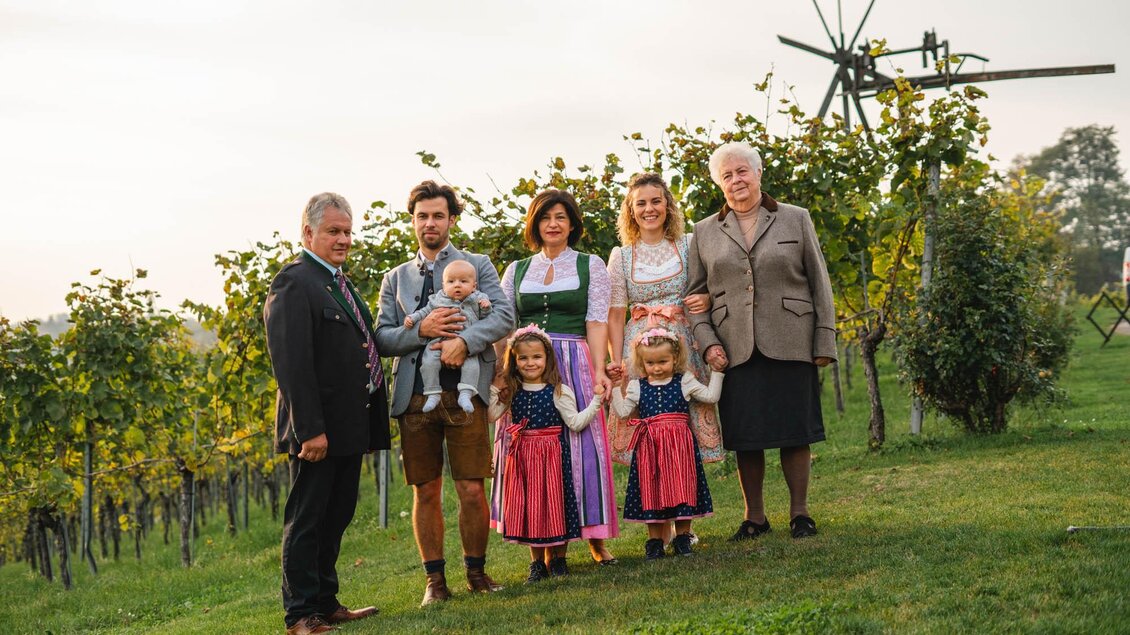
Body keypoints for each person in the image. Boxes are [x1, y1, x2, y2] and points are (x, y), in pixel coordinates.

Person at [686, 141, 837, 540]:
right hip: (733, 346)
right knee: (746, 436)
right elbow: (695, 299)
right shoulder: (702, 232)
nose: (736, 180)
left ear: (758, 173)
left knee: (795, 430)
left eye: (742, 171)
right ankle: (755, 517)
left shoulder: (795, 218)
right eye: (727, 175)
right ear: (719, 184)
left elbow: (820, 283)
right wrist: (707, 342)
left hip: (791, 339)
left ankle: (800, 513)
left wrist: (825, 343)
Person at [374, 180, 514, 606]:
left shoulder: (478, 264)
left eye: (438, 215)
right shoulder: (394, 278)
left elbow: (504, 315)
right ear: (412, 221)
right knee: (426, 489)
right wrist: (423, 332)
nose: (429, 223)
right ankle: (435, 581)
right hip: (415, 397)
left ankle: (476, 571)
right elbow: (381, 337)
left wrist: (464, 341)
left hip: (467, 394)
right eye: (422, 216)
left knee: (471, 487)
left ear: (452, 219)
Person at [264, 192, 390, 635]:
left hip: (349, 425)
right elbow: (291, 364)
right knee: (307, 519)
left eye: (347, 232)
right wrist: (310, 430)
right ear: (308, 233)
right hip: (318, 431)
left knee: (337, 514)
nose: (342, 239)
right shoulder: (295, 282)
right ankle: (301, 615)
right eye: (333, 231)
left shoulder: (338, 282)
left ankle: (325, 601)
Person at [491, 189, 620, 566]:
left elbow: (596, 321)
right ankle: (538, 534)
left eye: (561, 217)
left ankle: (593, 537)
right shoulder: (516, 270)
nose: (553, 224)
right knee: (531, 448)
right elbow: (504, 325)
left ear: (572, 224)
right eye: (546, 217)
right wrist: (503, 371)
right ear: (535, 223)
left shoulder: (589, 264)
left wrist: (598, 370)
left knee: (582, 446)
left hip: (572, 361)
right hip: (526, 364)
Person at [605, 172, 721, 469]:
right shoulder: (621, 255)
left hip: (683, 344)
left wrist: (706, 298)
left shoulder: (689, 244)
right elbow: (616, 314)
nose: (649, 209)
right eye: (641, 203)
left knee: (682, 422)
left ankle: (683, 495)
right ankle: (654, 501)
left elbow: (711, 286)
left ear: (668, 205)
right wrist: (616, 360)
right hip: (640, 348)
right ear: (631, 211)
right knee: (648, 425)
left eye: (656, 201)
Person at [487, 325, 605, 582]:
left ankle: (559, 559)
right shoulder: (513, 392)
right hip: (523, 459)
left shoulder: (559, 391)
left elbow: (574, 422)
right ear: (514, 361)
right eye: (524, 358)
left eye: (537, 357)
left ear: (548, 358)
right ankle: (537, 563)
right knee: (532, 508)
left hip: (552, 457)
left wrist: (596, 402)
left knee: (556, 505)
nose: (530, 363)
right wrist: (496, 388)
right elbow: (491, 415)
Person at [609, 328, 722, 559]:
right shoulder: (637, 386)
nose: (657, 367)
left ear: (675, 358)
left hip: (680, 447)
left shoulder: (685, 381)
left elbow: (711, 396)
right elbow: (622, 412)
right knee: (652, 490)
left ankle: (683, 539)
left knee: (682, 487)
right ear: (641, 363)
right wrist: (614, 387)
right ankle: (654, 543)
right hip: (649, 447)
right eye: (650, 363)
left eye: (663, 361)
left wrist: (717, 372)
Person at [403, 259, 493, 413]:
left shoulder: (477, 298)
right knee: (428, 363)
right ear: (444, 286)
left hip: (466, 343)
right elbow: (425, 311)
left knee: (472, 366)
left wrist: (486, 307)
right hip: (438, 341)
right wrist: (413, 318)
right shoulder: (438, 299)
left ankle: (466, 393)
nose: (457, 285)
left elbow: (486, 317)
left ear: (474, 286)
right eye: (451, 281)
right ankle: (432, 392)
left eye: (463, 281)